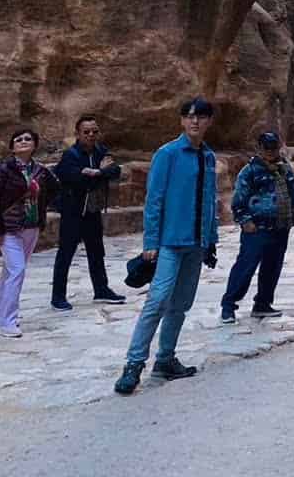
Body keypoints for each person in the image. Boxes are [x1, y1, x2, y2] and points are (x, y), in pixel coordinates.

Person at [113, 97, 218, 395]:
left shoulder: (208, 157)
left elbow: (209, 200)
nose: (195, 121)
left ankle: (166, 359)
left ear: (209, 121)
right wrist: (151, 241)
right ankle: (134, 364)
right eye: (189, 116)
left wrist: (210, 239)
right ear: (182, 121)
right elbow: (154, 199)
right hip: (170, 242)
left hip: (195, 243)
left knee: (181, 303)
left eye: (201, 116)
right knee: (157, 300)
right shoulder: (168, 154)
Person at [0, 129, 60, 337]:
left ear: (34, 145)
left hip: (31, 226)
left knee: (10, 271)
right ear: (12, 147)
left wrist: (41, 205)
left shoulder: (40, 170)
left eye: (28, 139)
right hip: (9, 228)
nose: (23, 141)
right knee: (17, 270)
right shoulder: (4, 170)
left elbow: (55, 188)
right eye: (19, 139)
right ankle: (7, 322)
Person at [220, 130, 294, 324]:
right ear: (260, 148)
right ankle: (229, 306)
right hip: (257, 228)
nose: (271, 151)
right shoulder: (250, 171)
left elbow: (293, 192)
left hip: (280, 227)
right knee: (245, 267)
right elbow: (239, 200)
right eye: (267, 147)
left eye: (274, 147)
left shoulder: (284, 169)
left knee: (272, 267)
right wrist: (245, 221)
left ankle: (263, 304)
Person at [51, 114, 125, 310]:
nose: (91, 135)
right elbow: (72, 177)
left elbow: (115, 171)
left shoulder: (101, 151)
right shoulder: (71, 155)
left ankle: (101, 290)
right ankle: (58, 297)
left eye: (94, 131)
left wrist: (96, 172)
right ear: (77, 134)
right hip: (73, 212)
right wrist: (96, 174)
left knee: (96, 252)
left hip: (92, 210)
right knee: (66, 254)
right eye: (86, 132)